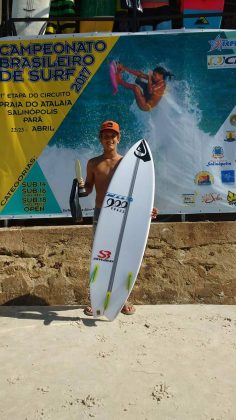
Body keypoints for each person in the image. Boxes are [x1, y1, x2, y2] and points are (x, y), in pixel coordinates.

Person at [80, 120, 158, 316]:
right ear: (100, 139)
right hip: (102, 215)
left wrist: (148, 209)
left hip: (126, 215)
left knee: (124, 257)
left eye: (113, 135)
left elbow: (140, 189)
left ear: (118, 138)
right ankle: (95, 299)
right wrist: (82, 187)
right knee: (101, 256)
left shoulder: (128, 163)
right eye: (106, 136)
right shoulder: (93, 163)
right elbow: (89, 188)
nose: (109, 139)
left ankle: (122, 300)